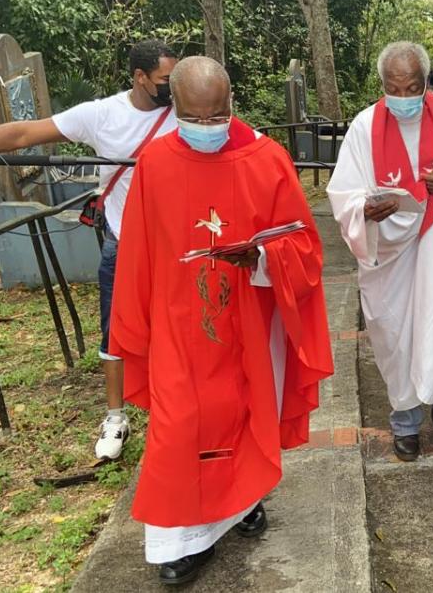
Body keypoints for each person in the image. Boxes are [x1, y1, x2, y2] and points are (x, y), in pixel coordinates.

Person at [109, 56, 333, 584]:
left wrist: (260, 259)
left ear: (231, 104)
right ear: (175, 108)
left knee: (243, 410)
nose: (206, 128)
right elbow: (138, 252)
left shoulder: (267, 159)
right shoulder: (156, 163)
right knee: (180, 423)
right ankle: (175, 542)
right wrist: (134, 324)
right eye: (194, 117)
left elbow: (303, 244)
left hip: (248, 321)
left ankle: (242, 504)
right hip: (177, 323)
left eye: (216, 117)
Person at [0, 40, 180, 461]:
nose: (171, 87)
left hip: (179, 242)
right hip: (125, 242)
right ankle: (115, 417)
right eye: (164, 80)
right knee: (115, 330)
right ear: (139, 77)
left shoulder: (186, 108)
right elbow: (23, 132)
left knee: (181, 326)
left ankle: (177, 406)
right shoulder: (101, 114)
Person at [327, 41, 433, 462]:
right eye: (393, 89)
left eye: (412, 88)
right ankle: (404, 420)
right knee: (397, 335)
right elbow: (343, 193)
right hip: (391, 255)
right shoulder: (365, 127)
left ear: (425, 83)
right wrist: (366, 208)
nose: (403, 98)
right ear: (381, 85)